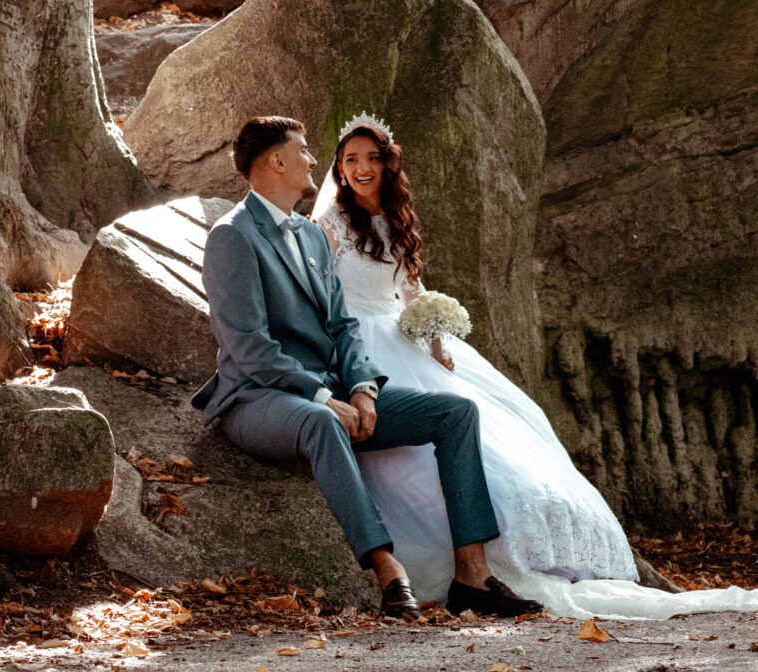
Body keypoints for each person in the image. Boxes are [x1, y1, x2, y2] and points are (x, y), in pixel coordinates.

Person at [313, 113, 758, 623]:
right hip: (360, 346)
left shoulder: (397, 220)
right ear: (339, 168)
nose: (362, 167)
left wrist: (434, 334)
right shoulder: (331, 224)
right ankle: (446, 563)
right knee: (420, 456)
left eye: (372, 158)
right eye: (351, 160)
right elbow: (321, 298)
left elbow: (410, 292)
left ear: (388, 164)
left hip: (405, 337)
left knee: (506, 429)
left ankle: (496, 561)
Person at [194, 114, 545, 621]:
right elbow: (249, 347)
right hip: (256, 399)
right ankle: (387, 568)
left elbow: (344, 327)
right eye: (304, 149)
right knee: (320, 421)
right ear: (276, 160)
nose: (315, 160)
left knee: (456, 412)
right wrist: (323, 398)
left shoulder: (313, 237)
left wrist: (361, 389)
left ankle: (472, 574)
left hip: (331, 391)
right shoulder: (231, 236)